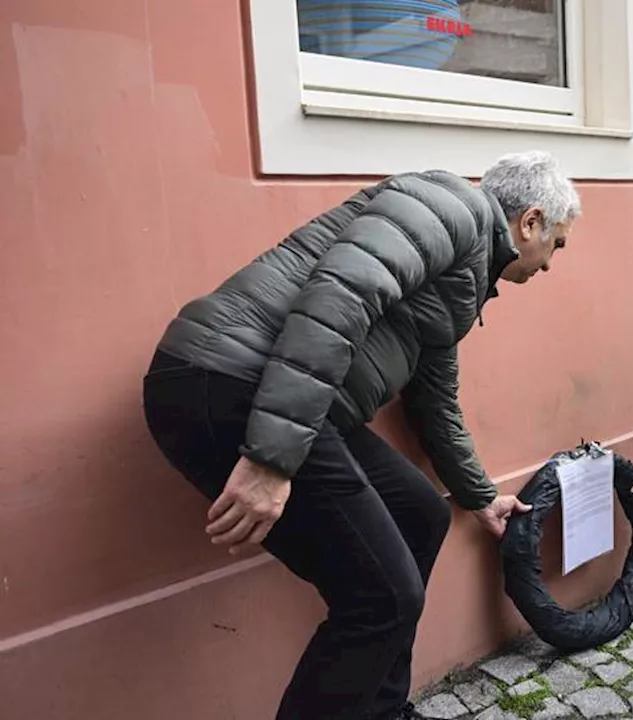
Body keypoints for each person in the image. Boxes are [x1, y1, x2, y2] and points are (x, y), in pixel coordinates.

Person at [141, 151, 580, 720]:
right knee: (382, 598)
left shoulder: (465, 276)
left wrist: (478, 496)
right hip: (226, 382)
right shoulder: (453, 207)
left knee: (422, 512)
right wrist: (272, 461)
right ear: (531, 222)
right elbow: (342, 295)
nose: (549, 264)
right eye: (558, 245)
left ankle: (380, 711)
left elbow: (433, 401)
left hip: (284, 402)